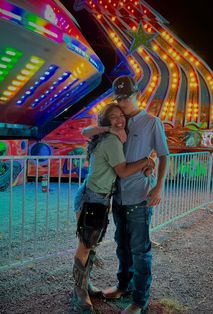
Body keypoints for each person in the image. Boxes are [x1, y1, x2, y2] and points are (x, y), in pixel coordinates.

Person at [83, 75, 169, 314]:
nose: (122, 103)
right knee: (122, 245)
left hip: (139, 197)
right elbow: (87, 132)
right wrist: (109, 126)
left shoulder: (151, 122)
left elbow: (164, 156)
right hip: (117, 197)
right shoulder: (117, 121)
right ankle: (123, 286)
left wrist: (158, 187)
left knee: (140, 250)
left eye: (126, 97)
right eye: (118, 98)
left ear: (137, 95)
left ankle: (140, 300)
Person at [72, 103, 155, 313]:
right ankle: (79, 294)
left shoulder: (107, 137)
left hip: (91, 196)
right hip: (93, 199)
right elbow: (123, 172)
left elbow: (86, 132)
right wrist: (147, 160)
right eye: (113, 117)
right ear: (106, 121)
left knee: (89, 243)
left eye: (121, 116)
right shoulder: (111, 141)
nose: (119, 120)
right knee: (85, 245)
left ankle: (85, 286)